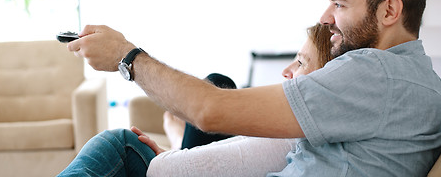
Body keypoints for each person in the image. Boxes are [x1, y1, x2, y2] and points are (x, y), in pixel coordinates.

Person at [63, 0, 441, 176]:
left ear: (390, 10)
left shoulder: (373, 73)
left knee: (118, 147)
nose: (326, 18)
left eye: (339, 5)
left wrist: (125, 56)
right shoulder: (416, 79)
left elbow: (209, 109)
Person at [58, 23, 333, 176]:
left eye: (301, 63)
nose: (285, 71)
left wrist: (125, 55)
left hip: (151, 162)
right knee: (219, 82)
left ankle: (175, 134)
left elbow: (174, 166)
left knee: (117, 145)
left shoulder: (292, 134)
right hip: (166, 160)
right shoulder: (298, 131)